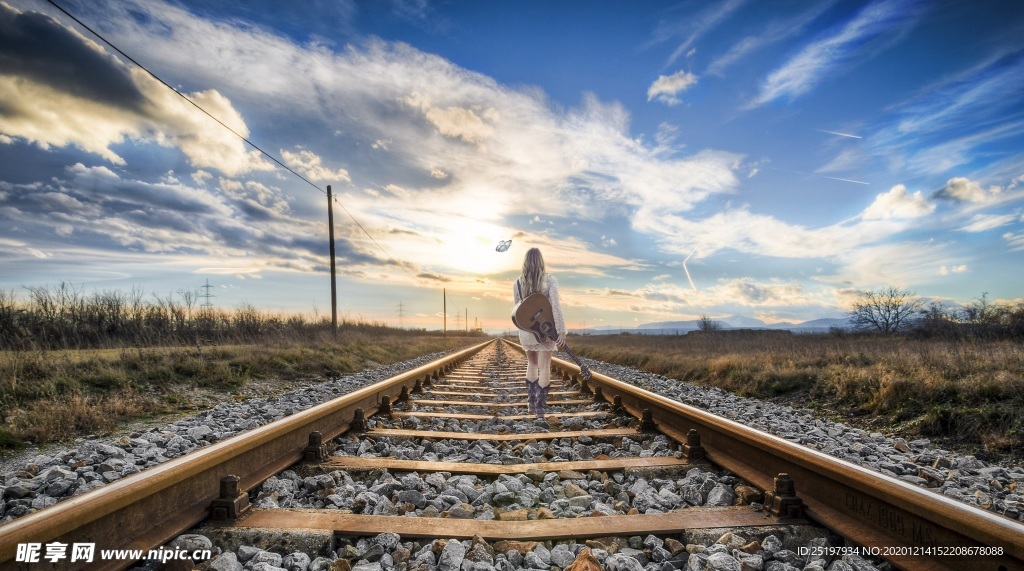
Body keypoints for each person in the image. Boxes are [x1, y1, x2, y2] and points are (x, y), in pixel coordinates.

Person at [512, 247, 566, 419]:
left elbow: (519, 310)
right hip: (546, 329)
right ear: (541, 261)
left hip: (527, 331)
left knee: (532, 364)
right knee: (544, 366)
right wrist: (561, 330)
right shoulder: (550, 280)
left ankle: (531, 404)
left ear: (525, 262)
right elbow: (555, 306)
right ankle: (540, 409)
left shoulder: (518, 283)